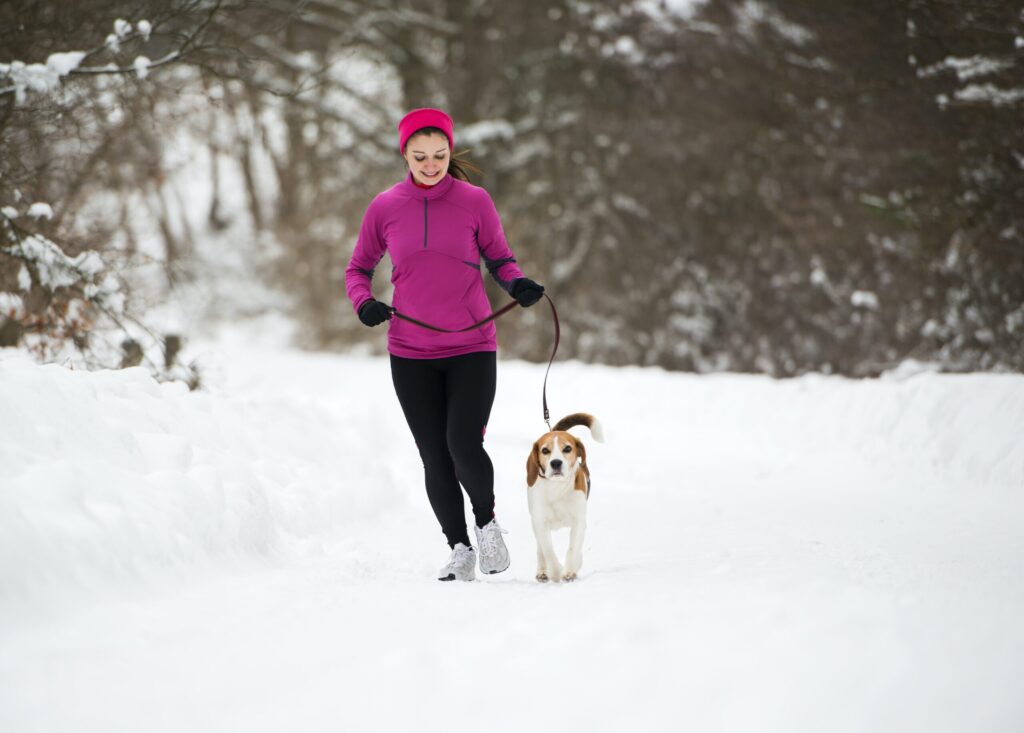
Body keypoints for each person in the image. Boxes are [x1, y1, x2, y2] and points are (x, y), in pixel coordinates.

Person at [344, 107, 545, 582]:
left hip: (472, 345)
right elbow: (357, 269)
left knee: (462, 440)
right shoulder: (385, 206)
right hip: (410, 352)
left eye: (439, 154)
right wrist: (364, 303)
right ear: (405, 155)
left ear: (450, 151)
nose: (431, 164)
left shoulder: (475, 201)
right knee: (434, 453)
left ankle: (487, 524)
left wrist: (517, 285)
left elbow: (500, 258)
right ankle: (459, 547)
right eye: (420, 156)